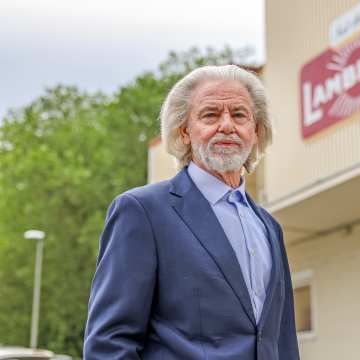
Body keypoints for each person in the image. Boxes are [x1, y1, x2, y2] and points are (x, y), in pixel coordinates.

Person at [83, 65, 300, 360]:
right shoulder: (143, 212)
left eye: (239, 115)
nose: (227, 126)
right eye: (210, 115)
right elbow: (109, 343)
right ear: (184, 131)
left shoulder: (269, 227)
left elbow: (283, 341)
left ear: (256, 131)